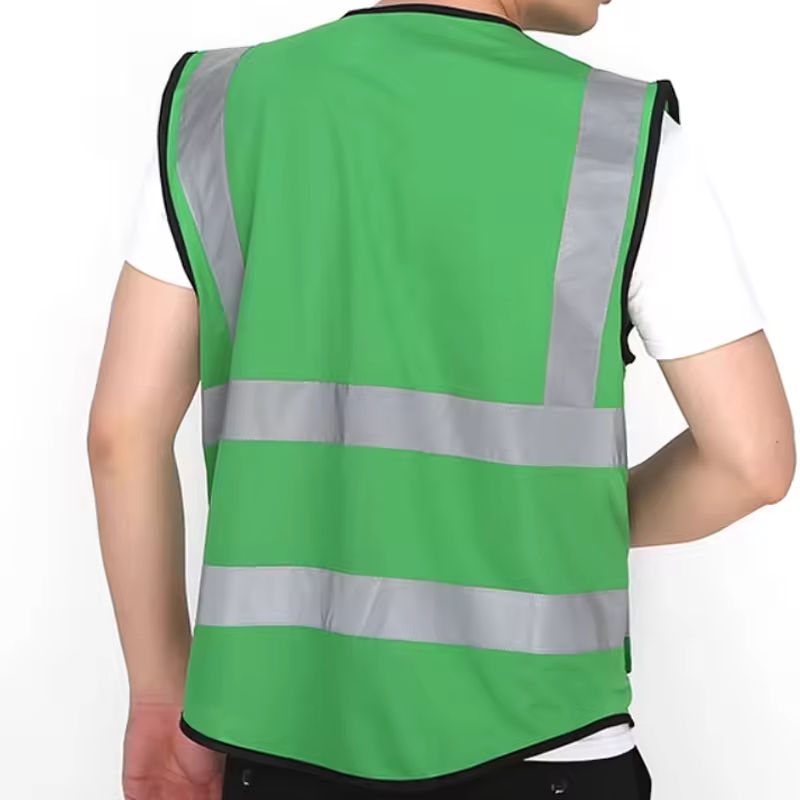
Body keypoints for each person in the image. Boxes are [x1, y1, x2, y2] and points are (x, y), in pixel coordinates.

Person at [87, 2, 795, 799]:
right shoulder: (619, 136)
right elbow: (753, 460)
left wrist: (159, 695)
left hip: (282, 745)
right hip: (547, 747)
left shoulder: (218, 108)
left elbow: (122, 435)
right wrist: (546, 524)